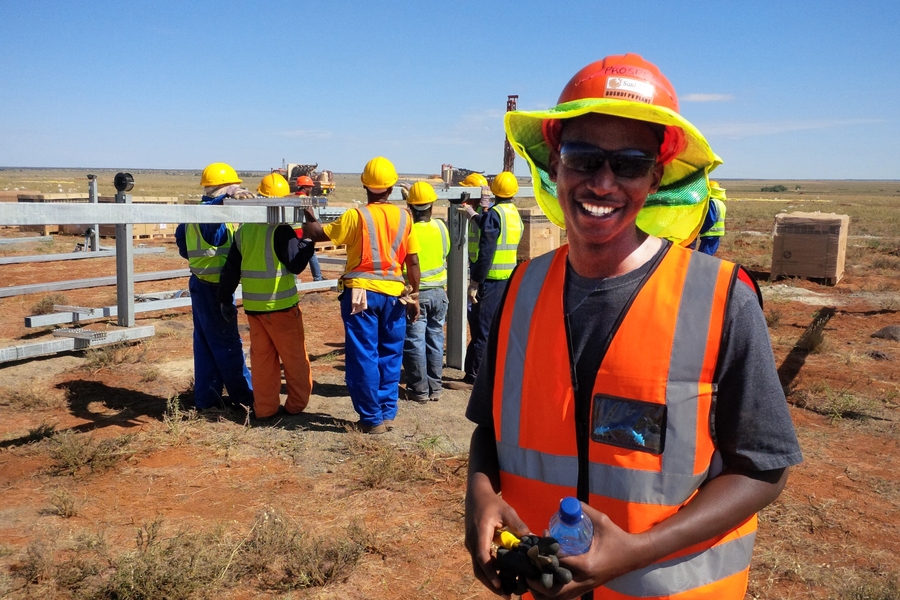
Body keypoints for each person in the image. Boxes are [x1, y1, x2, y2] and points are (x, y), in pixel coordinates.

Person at [464, 54, 802, 600]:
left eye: (629, 164)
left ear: (656, 177)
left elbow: (764, 469)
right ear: (555, 163)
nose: (602, 183)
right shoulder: (520, 292)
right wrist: (479, 498)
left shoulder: (721, 299)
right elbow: (489, 428)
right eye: (583, 158)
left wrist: (637, 551)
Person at [303, 156, 420, 435]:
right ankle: (387, 413)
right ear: (391, 187)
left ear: (364, 186)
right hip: (395, 295)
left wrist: (306, 211)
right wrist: (414, 296)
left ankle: (371, 419)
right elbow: (413, 261)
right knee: (390, 354)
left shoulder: (356, 216)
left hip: (361, 295)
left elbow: (318, 234)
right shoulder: (405, 217)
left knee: (363, 356)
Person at [217, 172, 315, 420]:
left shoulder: (245, 230)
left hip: (255, 310)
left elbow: (231, 269)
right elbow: (296, 264)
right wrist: (309, 240)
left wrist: (224, 298)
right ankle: (296, 405)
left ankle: (265, 409)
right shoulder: (280, 230)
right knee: (294, 361)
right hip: (282, 308)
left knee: (262, 363)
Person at [175, 162, 254, 412]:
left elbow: (183, 247)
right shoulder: (212, 216)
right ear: (224, 189)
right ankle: (246, 399)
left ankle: (207, 400)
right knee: (227, 345)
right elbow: (212, 223)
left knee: (205, 345)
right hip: (215, 290)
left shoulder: (192, 215)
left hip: (199, 284)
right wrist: (226, 198)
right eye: (234, 188)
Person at [455, 171, 522, 389]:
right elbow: (491, 228)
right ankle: (485, 373)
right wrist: (479, 212)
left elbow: (487, 249)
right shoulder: (512, 213)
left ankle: (475, 378)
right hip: (507, 280)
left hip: (489, 280)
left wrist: (475, 281)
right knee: (494, 328)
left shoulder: (495, 214)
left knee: (482, 330)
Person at [401, 181, 449, 403]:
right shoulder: (441, 227)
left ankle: (419, 390)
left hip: (416, 294)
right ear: (432, 205)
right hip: (439, 293)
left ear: (410, 207)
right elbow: (446, 251)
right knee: (435, 339)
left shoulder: (407, 230)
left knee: (415, 341)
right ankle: (435, 388)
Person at [293, 175, 324, 281]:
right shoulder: (305, 199)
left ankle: (294, 278)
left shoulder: (292, 198)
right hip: (302, 231)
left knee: (293, 255)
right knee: (311, 253)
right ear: (305, 187)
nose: (311, 189)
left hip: (292, 231)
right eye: (310, 187)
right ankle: (318, 277)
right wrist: (316, 229)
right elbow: (311, 217)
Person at [696, 180, 727, 255]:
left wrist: (700, 230)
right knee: (706, 256)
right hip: (716, 235)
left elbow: (711, 220)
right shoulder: (720, 203)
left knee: (703, 257)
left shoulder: (712, 203)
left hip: (709, 234)